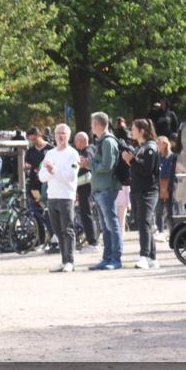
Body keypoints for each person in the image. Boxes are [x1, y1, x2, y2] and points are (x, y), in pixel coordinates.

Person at [39, 124, 79, 272]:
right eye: (58, 133)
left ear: (68, 136)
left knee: (67, 229)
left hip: (66, 196)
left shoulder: (72, 153)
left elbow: (70, 176)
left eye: (63, 133)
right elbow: (42, 177)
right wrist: (50, 171)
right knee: (57, 230)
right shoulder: (49, 153)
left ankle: (70, 261)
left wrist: (53, 170)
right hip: (52, 196)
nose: (60, 136)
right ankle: (63, 260)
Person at [85, 112, 123, 270]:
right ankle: (107, 258)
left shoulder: (108, 142)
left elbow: (107, 166)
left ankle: (116, 258)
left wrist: (90, 165)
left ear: (98, 124)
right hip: (100, 189)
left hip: (107, 188)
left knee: (111, 224)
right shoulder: (101, 141)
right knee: (105, 225)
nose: (91, 127)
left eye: (93, 123)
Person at [123, 119, 161, 269]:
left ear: (141, 130)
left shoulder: (150, 147)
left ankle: (144, 256)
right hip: (139, 190)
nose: (131, 131)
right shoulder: (141, 147)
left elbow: (147, 169)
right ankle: (152, 257)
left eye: (133, 129)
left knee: (144, 222)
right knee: (144, 223)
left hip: (148, 190)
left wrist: (131, 161)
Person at [73, 131, 99, 252]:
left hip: (86, 187)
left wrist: (81, 163)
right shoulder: (92, 148)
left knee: (86, 213)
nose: (74, 142)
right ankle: (92, 241)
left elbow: (87, 162)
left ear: (83, 140)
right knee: (87, 213)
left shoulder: (87, 151)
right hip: (87, 187)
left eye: (76, 140)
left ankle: (93, 242)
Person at [156, 136, 177, 234]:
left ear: (165, 144)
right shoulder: (157, 156)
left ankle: (173, 231)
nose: (157, 145)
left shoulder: (173, 157)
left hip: (170, 185)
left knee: (170, 210)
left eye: (159, 143)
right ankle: (160, 231)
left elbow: (171, 172)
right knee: (159, 210)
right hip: (159, 185)